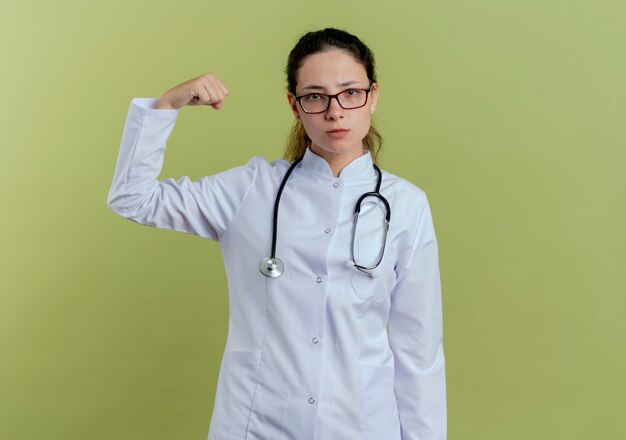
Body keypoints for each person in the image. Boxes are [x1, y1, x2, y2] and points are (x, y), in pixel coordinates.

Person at [107, 27, 446, 440]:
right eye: (315, 96)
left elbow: (419, 352)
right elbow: (133, 199)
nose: (335, 112)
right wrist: (166, 106)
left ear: (372, 96)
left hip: (361, 424)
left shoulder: (407, 204)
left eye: (350, 93)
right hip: (257, 423)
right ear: (294, 105)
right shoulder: (250, 190)